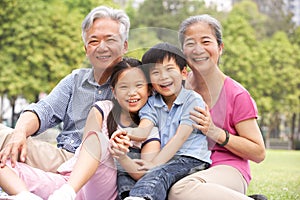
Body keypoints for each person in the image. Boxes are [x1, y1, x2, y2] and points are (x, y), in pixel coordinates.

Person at [0, 58, 161, 200]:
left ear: (149, 89)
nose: (132, 93)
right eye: (124, 86)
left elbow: (142, 172)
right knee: (4, 166)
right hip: (70, 180)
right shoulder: (102, 109)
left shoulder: (150, 128)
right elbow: (86, 147)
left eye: (138, 85)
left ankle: (66, 194)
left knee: (100, 140)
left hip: (100, 189)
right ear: (114, 91)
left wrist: (121, 156)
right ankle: (25, 196)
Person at [0, 5, 130, 172]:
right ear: (86, 49)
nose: (102, 47)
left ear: (125, 46)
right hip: (63, 159)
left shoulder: (135, 84)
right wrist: (19, 133)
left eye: (110, 40)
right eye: (94, 41)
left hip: (102, 169)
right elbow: (44, 110)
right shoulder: (75, 81)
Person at [168, 14, 266, 200]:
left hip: (227, 169)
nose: (198, 49)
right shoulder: (176, 88)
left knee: (179, 191)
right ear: (183, 51)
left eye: (206, 41)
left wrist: (214, 131)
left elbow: (258, 152)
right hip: (186, 167)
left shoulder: (237, 94)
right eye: (190, 43)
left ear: (220, 48)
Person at [116, 42, 211, 200]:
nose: (163, 77)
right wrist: (124, 133)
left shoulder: (192, 100)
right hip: (166, 159)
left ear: (183, 73)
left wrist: (155, 164)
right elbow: (143, 130)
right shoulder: (152, 103)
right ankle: (129, 196)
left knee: (160, 173)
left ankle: (141, 197)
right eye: (155, 72)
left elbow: (179, 138)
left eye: (169, 69)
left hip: (191, 159)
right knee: (128, 169)